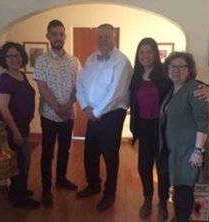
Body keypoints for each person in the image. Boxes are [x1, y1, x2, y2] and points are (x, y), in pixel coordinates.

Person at [129, 38, 209, 221]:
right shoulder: (135, 76)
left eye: (149, 51)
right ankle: (148, 199)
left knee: (165, 170)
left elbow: (191, 87)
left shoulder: (164, 75)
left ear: (156, 54)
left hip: (163, 130)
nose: (145, 55)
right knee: (144, 167)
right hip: (144, 129)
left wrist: (208, 88)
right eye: (141, 52)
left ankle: (163, 203)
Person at [76, 23, 133, 212]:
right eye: (99, 37)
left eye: (106, 37)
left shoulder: (122, 61)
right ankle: (93, 186)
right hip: (92, 113)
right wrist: (85, 107)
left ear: (114, 37)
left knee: (110, 155)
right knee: (90, 152)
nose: (102, 40)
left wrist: (97, 112)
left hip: (112, 115)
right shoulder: (91, 59)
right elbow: (81, 84)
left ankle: (110, 193)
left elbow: (117, 92)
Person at [34, 19, 80, 207]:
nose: (58, 37)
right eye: (54, 34)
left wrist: (67, 106)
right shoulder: (41, 60)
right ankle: (46, 188)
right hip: (49, 116)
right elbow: (42, 88)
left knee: (65, 150)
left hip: (68, 115)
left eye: (61, 34)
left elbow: (79, 86)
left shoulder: (74, 61)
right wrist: (58, 108)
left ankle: (61, 179)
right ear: (48, 37)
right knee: (47, 152)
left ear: (65, 36)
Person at [160, 52, 209, 222]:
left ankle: (182, 218)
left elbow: (203, 121)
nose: (177, 70)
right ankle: (180, 217)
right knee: (179, 187)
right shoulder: (173, 90)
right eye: (173, 66)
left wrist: (198, 151)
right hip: (176, 149)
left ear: (190, 70)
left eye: (182, 66)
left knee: (185, 188)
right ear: (167, 69)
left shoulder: (194, 89)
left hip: (189, 150)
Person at [0, 42, 40, 209]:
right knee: (21, 162)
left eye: (18, 55)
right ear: (4, 59)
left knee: (22, 161)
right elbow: (4, 109)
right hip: (13, 128)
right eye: (10, 56)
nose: (14, 59)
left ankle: (16, 191)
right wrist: (15, 132)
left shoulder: (21, 75)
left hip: (23, 125)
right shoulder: (4, 79)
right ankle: (20, 199)